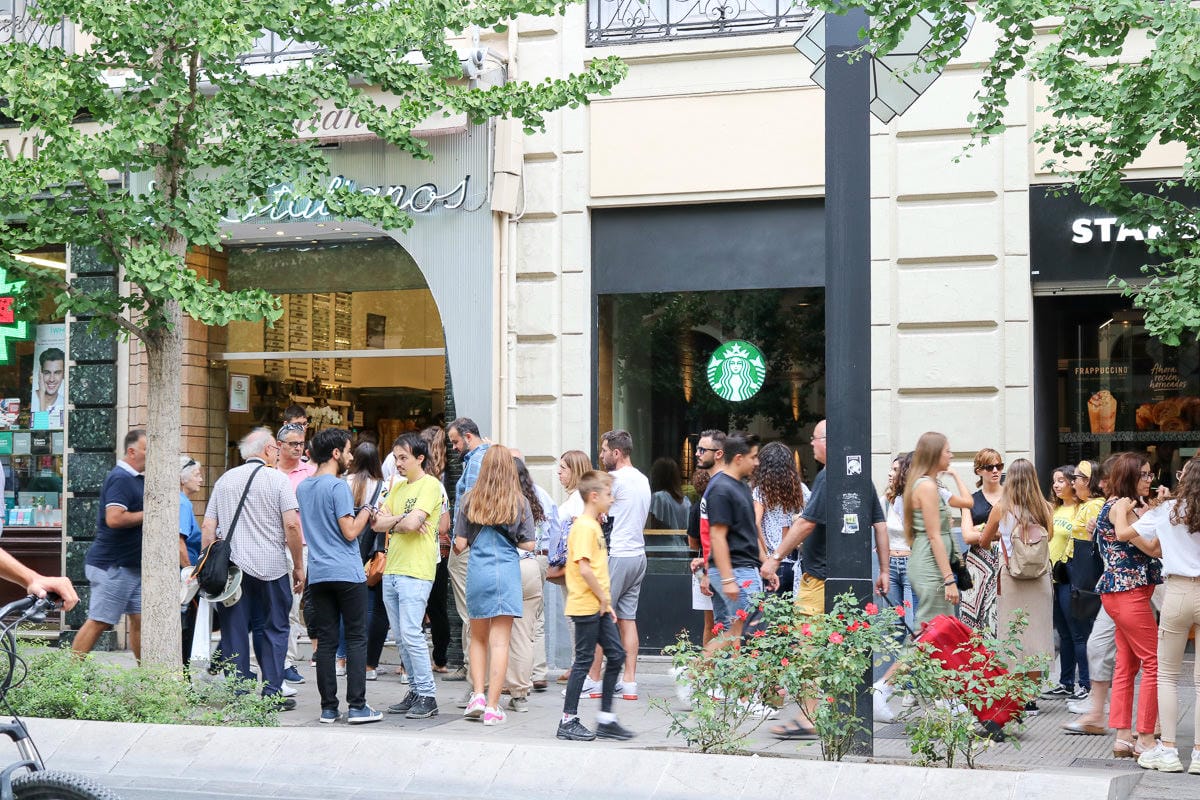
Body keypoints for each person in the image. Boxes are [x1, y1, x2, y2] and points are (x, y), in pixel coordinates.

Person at [762, 419, 889, 737]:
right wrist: (883, 570)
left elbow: (805, 524)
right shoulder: (859, 476)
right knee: (839, 648)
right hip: (847, 581)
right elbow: (880, 524)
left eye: (815, 439)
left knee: (807, 647)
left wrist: (775, 558)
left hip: (817, 580)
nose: (812, 444)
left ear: (827, 441)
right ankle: (836, 713)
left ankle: (810, 718)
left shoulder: (828, 476)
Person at [203, 428, 304, 710]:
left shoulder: (225, 480)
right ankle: (272, 690)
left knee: (234, 629)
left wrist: (212, 562)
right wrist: (298, 566)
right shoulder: (277, 480)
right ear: (269, 450)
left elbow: (208, 527)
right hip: (270, 568)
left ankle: (239, 691)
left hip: (233, 572)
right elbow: (292, 525)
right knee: (274, 627)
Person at [297, 428, 381, 725]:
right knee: (357, 638)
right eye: (347, 451)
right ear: (335, 454)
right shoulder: (336, 487)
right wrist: (368, 510)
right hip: (346, 570)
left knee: (327, 641)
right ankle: (357, 706)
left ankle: (328, 708)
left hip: (319, 573)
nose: (349, 457)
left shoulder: (304, 488)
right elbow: (350, 531)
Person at [452, 445, 535, 726]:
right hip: (506, 572)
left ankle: (477, 694)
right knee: (501, 642)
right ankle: (493, 706)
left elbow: (460, 545)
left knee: (478, 637)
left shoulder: (468, 500)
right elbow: (530, 543)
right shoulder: (519, 502)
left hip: (478, 571)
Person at [1128, 457, 1200, 773]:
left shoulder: (1166, 510)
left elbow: (1125, 533)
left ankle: (1168, 750)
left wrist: (1120, 512)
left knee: (1167, 675)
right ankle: (1199, 754)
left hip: (1178, 591)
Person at [557, 470, 635, 742]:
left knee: (616, 655)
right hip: (586, 605)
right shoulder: (584, 527)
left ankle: (605, 720)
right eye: (608, 494)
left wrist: (606, 603)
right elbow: (585, 568)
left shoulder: (594, 525)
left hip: (599, 605)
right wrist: (603, 599)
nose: (612, 499)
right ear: (594, 496)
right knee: (584, 662)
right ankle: (568, 720)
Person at [373, 432, 444, 720]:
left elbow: (414, 523)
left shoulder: (430, 485)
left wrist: (399, 521)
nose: (398, 463)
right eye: (396, 457)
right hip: (392, 568)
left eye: (403, 458)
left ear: (420, 458)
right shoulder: (398, 488)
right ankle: (415, 690)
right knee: (401, 637)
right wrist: (402, 520)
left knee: (412, 634)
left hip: (416, 570)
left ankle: (427, 694)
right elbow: (377, 523)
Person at [978, 457, 1055, 718]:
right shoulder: (1045, 508)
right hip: (1040, 579)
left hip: (1011, 578)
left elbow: (983, 540)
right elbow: (1050, 537)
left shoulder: (1001, 508)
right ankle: (1032, 697)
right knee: (1038, 636)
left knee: (1013, 635)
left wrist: (1003, 538)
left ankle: (1016, 697)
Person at [1097, 452, 1161, 759]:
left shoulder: (1122, 505)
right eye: (1144, 475)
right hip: (1129, 593)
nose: (1149, 480)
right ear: (1130, 476)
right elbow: (1149, 546)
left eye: (1150, 474)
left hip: (1123, 594)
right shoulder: (1121, 505)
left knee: (1127, 664)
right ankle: (1146, 738)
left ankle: (1123, 736)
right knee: (1154, 663)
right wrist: (1155, 520)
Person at [583, 430, 650, 700]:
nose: (600, 455)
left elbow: (598, 510)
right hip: (639, 554)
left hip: (618, 554)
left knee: (601, 615)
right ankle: (629, 682)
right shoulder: (643, 479)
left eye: (604, 450)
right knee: (628, 619)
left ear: (617, 453)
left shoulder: (614, 480)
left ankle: (594, 679)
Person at [73, 430, 146, 661]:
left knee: (142, 621)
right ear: (132, 451)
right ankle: (67, 677)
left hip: (131, 566)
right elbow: (114, 518)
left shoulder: (137, 478)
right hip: (113, 565)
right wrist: (149, 514)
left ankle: (149, 679)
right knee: (100, 621)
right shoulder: (121, 478)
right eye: (148, 450)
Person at [702, 433, 768, 647]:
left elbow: (748, 531)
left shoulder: (739, 486)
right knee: (745, 630)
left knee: (738, 631)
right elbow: (717, 537)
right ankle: (694, 672)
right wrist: (728, 579)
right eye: (753, 457)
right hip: (735, 571)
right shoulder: (721, 489)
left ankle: (707, 675)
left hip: (743, 569)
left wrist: (765, 563)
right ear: (739, 458)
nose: (757, 462)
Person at [904, 431, 974, 627]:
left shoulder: (929, 484)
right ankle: (905, 660)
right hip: (930, 566)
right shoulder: (926, 486)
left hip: (931, 563)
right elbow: (934, 536)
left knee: (939, 631)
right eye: (948, 451)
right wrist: (949, 580)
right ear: (935, 454)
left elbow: (967, 502)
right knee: (930, 631)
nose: (951, 455)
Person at [445, 417, 490, 688]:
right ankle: (471, 669)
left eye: (455, 441)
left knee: (469, 613)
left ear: (469, 437)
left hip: (467, 545)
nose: (453, 447)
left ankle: (475, 676)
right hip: (475, 544)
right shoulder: (483, 458)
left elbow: (470, 506)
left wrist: (461, 539)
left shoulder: (475, 462)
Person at [343, 441, 389, 682]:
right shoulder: (383, 487)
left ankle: (341, 659)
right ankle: (369, 664)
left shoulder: (344, 483)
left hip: (347, 550)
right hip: (372, 553)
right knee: (373, 607)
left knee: (344, 607)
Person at [507, 457, 549, 712]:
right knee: (529, 629)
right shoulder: (536, 496)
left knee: (498, 632)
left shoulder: (497, 500)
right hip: (534, 564)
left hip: (509, 565)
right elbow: (549, 530)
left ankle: (490, 686)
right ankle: (526, 685)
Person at [276, 421, 316, 683]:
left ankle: (287, 661)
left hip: (299, 546)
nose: (298, 448)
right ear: (279, 445)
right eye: (293, 444)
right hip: (268, 545)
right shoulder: (269, 472)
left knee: (291, 605)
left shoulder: (310, 472)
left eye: (301, 444)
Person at [552, 449, 592, 683]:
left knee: (576, 616)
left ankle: (581, 665)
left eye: (564, 468)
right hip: (572, 567)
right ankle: (580, 663)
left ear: (575, 471)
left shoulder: (577, 500)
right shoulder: (575, 498)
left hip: (574, 568)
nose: (559, 472)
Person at [419, 426, 453, 674]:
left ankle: (408, 665)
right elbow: (445, 525)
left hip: (420, 553)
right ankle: (440, 658)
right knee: (438, 606)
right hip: (439, 551)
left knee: (414, 608)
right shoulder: (449, 474)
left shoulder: (407, 483)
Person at [751, 441, 805, 598]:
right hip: (796, 563)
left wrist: (766, 554)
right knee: (793, 617)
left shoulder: (761, 491)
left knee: (771, 617)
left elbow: (754, 523)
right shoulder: (801, 490)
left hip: (773, 563)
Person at [960, 448, 1003, 635]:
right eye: (989, 467)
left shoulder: (1011, 496)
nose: (995, 471)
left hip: (1004, 559)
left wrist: (982, 531)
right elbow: (967, 536)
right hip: (977, 564)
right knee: (973, 618)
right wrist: (997, 532)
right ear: (979, 471)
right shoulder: (969, 500)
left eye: (999, 466)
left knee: (1001, 615)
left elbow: (1017, 531)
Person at [179, 456, 204, 666]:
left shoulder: (182, 502)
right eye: (197, 474)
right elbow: (179, 542)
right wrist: (190, 573)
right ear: (181, 478)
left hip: (184, 575)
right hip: (185, 579)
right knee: (186, 630)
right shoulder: (182, 503)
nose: (201, 479)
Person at [649, 458, 691, 529]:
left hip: (661, 539)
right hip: (681, 540)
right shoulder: (686, 502)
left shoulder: (659, 498)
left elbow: (652, 527)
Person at [31, 347, 64, 416]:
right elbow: (41, 426)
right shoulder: (30, 398)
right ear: (41, 373)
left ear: (63, 375)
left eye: (57, 373)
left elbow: (42, 426)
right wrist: (42, 393)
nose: (51, 379)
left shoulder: (64, 403)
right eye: (47, 373)